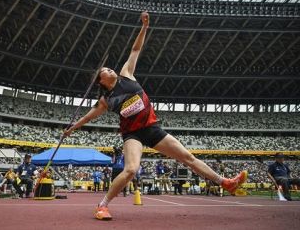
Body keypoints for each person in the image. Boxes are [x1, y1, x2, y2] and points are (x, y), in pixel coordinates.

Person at [64, 11, 247, 220]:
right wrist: (72, 128)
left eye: (109, 67)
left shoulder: (126, 73)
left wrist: (144, 27)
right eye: (105, 70)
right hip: (133, 134)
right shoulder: (106, 101)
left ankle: (226, 182)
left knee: (187, 157)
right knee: (131, 169)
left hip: (152, 129)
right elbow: (88, 117)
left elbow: (135, 49)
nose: (110, 69)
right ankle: (102, 205)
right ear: (100, 81)